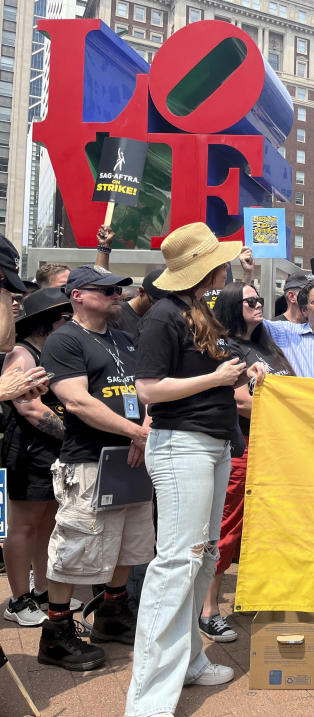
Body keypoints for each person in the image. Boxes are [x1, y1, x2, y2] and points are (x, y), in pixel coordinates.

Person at [126, 223, 265, 715]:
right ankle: (147, 699)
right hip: (182, 444)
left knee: (198, 560)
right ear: (205, 268)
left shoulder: (194, 310)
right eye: (220, 260)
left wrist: (241, 371)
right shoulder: (164, 315)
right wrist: (217, 377)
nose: (226, 265)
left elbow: (202, 374)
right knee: (177, 565)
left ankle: (187, 664)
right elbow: (148, 389)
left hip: (211, 443)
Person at [39, 265, 153, 671]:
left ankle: (111, 615)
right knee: (74, 548)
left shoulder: (124, 337)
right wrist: (137, 434)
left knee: (130, 543)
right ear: (77, 296)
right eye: (105, 290)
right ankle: (56, 634)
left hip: (131, 457)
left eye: (118, 288)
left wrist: (145, 427)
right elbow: (77, 402)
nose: (116, 294)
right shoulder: (64, 340)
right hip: (88, 459)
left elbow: (146, 390)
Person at [200, 281, 294, 642]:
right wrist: (292, 415)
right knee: (228, 527)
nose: (258, 305)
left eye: (260, 299)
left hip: (277, 449)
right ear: (229, 306)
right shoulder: (229, 349)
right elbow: (239, 401)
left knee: (268, 528)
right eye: (250, 301)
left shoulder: (267, 348)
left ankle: (253, 597)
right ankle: (209, 610)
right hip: (244, 450)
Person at [1, 289, 71, 627]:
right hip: (28, 450)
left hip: (50, 450)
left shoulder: (51, 353)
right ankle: (18, 599)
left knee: (48, 521)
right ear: (45, 322)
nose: (69, 324)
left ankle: (42, 590)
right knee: (23, 526)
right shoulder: (22, 353)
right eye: (63, 319)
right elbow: (27, 407)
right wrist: (72, 435)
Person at [110, 268, 166, 339]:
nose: (158, 308)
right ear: (141, 292)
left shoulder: (161, 316)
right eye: (154, 303)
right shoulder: (117, 315)